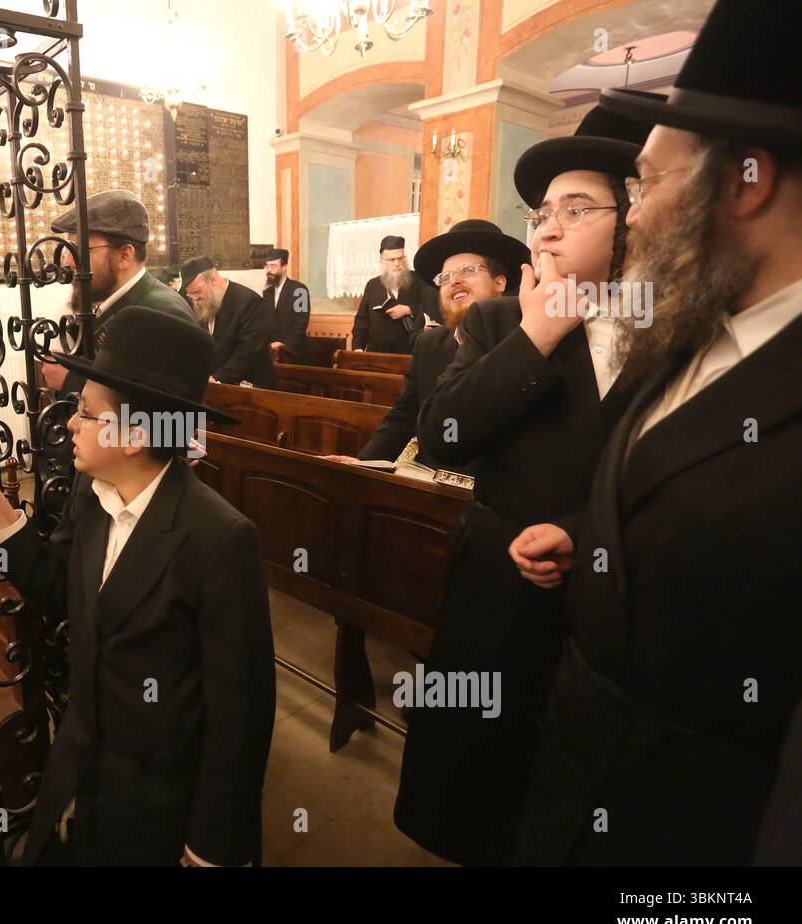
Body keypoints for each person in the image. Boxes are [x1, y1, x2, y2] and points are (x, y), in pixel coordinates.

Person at [507, 0, 802, 865]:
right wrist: (596, 532)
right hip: (576, 781)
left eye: (649, 183)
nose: (634, 218)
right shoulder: (693, 324)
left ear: (746, 180)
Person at [392, 101, 657, 866]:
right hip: (497, 591)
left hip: (613, 596)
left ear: (639, 218)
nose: (546, 230)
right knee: (477, 781)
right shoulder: (498, 321)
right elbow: (443, 434)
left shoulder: (673, 327)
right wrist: (539, 334)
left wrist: (583, 530)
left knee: (577, 791)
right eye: (541, 213)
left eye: (576, 209)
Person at [0, 305, 276, 867]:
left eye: (86, 412)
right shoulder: (93, 496)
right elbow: (57, 591)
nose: (70, 423)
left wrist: (211, 849)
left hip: (158, 799)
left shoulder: (219, 539)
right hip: (81, 768)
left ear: (135, 435)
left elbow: (241, 715)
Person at [322, 220, 528, 469]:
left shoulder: (525, 344)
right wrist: (363, 464)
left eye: (468, 270)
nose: (455, 281)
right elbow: (404, 417)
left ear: (500, 282)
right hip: (429, 482)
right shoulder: (429, 344)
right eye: (446, 276)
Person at [45, 190, 195, 397]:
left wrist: (73, 381)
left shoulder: (164, 314)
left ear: (124, 256)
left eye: (79, 251)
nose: (67, 263)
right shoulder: (110, 302)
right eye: (67, 251)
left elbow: (164, 410)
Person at [180, 256, 276, 387]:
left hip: (250, 386)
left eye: (197, 292)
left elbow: (248, 353)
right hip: (215, 382)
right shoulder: (202, 303)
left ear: (213, 280)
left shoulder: (249, 302)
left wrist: (217, 378)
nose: (195, 299)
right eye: (191, 294)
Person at [351, 236, 439, 354]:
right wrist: (358, 347)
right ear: (382, 260)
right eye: (392, 260)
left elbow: (434, 310)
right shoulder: (372, 285)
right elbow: (361, 322)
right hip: (377, 354)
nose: (397, 264)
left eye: (400, 258)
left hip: (409, 354)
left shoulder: (419, 280)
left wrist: (409, 310)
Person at [261, 249, 310, 362]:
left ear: (284, 267)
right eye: (267, 266)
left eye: (273, 266)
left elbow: (301, 324)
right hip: (272, 353)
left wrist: (285, 346)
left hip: (293, 353)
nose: (269, 270)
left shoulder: (299, 290)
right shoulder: (267, 293)